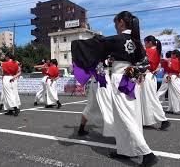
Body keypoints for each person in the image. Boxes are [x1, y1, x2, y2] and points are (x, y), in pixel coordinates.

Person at [71, 11, 158, 166]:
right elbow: (145, 63)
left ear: (120, 22)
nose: (115, 27)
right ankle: (125, 150)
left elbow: (95, 46)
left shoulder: (116, 40)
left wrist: (76, 45)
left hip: (120, 78)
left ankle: (147, 153)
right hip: (131, 79)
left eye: (115, 24)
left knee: (125, 116)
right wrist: (137, 73)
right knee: (129, 115)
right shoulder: (137, 41)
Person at [78, 58, 114, 137]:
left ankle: (81, 129)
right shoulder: (100, 51)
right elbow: (100, 65)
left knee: (90, 106)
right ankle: (114, 132)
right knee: (109, 105)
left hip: (97, 80)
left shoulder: (94, 51)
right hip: (102, 80)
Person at [141, 36, 170, 130]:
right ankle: (146, 121)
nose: (144, 45)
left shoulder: (149, 51)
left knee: (151, 99)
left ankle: (163, 119)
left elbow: (142, 63)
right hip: (151, 76)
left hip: (147, 76)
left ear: (149, 42)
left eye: (145, 43)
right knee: (146, 99)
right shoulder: (156, 51)